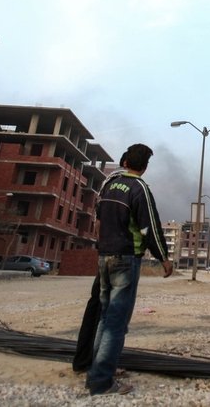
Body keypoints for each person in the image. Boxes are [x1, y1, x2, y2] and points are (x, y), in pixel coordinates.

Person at [85, 143, 173, 396]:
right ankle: (101, 381)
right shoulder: (139, 188)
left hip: (104, 257)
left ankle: (97, 371)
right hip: (125, 258)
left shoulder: (108, 185)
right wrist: (163, 258)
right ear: (144, 167)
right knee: (116, 322)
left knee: (105, 317)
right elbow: (149, 228)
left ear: (124, 161)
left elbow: (99, 216)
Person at [72, 154, 128, 373]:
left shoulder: (107, 185)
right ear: (126, 164)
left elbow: (98, 223)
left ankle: (84, 361)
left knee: (97, 307)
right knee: (110, 312)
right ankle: (100, 365)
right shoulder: (121, 185)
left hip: (106, 253)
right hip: (116, 256)